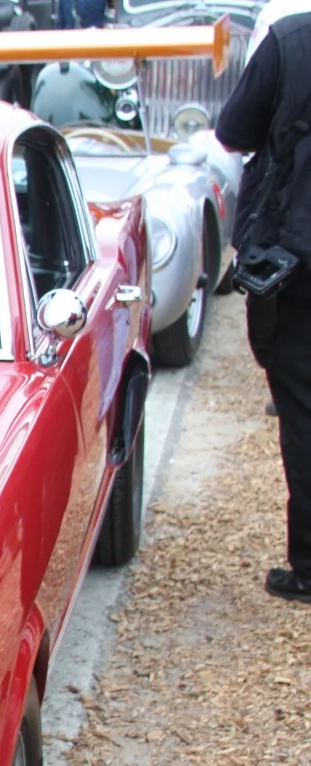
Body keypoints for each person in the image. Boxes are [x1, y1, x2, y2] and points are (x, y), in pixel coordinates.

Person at [217, 11, 311, 602]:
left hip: (295, 254)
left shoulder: (290, 40)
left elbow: (234, 131)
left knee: (302, 406)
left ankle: (308, 566)